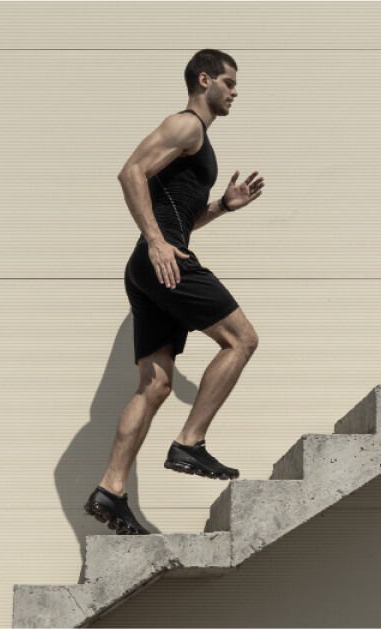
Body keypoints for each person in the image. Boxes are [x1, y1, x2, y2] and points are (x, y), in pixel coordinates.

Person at [83, 49, 266, 535]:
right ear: (203, 79)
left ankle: (111, 490)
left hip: (150, 265)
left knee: (157, 384)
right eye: (227, 82)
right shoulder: (186, 126)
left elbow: (178, 217)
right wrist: (157, 242)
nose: (234, 91)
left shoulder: (196, 140)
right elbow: (130, 174)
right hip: (161, 262)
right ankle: (190, 442)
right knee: (242, 340)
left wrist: (221, 207)